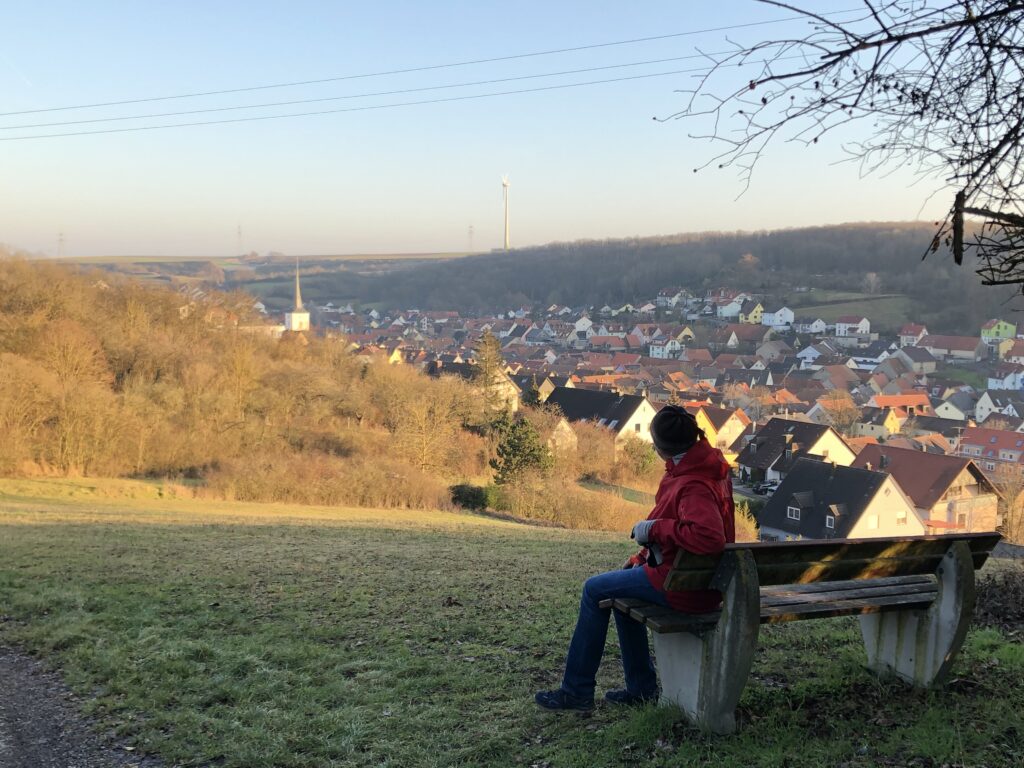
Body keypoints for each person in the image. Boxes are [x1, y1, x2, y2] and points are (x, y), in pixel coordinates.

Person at [535, 405, 735, 712]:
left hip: (684, 588)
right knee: (620, 596)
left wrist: (655, 528)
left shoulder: (692, 482)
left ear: (661, 447)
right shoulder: (707, 466)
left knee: (594, 590)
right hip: (699, 581)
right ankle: (640, 689)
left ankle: (575, 692)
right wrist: (641, 556)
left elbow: (709, 538)